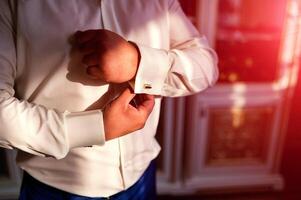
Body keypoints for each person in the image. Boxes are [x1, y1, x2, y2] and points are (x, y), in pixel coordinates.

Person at [0, 0, 218, 199]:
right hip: (55, 188)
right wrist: (95, 128)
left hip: (141, 177)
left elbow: (207, 65)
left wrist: (137, 62)